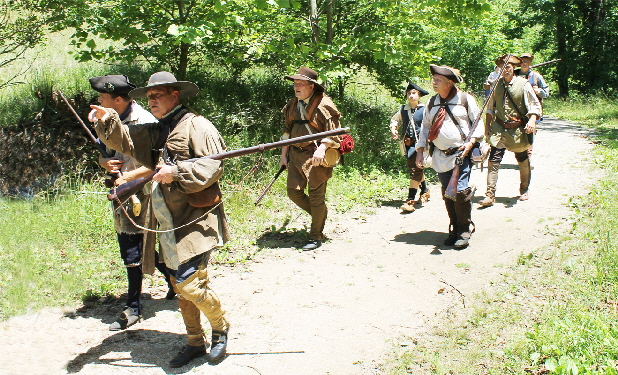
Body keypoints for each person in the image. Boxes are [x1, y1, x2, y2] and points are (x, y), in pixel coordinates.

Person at [90, 72, 231, 367]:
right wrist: (108, 120)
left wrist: (176, 173)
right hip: (167, 219)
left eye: (158, 95)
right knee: (178, 284)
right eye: (149, 97)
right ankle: (195, 341)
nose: (151, 100)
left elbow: (212, 168)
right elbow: (129, 142)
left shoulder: (197, 126)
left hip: (195, 217)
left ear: (174, 96)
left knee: (188, 284)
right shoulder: (159, 128)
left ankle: (220, 329)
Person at [89, 75, 174, 332]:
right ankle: (173, 280)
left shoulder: (146, 122)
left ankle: (134, 308)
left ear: (118, 99)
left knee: (133, 246)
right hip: (121, 192)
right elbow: (105, 152)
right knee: (136, 244)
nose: (99, 103)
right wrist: (104, 163)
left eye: (103, 99)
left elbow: (155, 163)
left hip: (143, 193)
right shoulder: (107, 119)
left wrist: (127, 177)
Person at [415, 65, 483, 249]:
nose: (433, 83)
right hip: (440, 156)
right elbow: (426, 128)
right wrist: (420, 151)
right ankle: (454, 228)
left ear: (449, 82)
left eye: (438, 80)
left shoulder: (465, 99)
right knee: (448, 194)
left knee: (460, 192)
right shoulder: (432, 102)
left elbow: (477, 124)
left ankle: (464, 229)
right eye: (434, 79)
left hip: (461, 153)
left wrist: (470, 144)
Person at [280, 67, 342, 251]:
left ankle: (315, 235)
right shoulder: (292, 105)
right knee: (293, 192)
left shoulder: (325, 105)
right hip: (295, 155)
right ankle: (319, 215)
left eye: (300, 84)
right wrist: (284, 155)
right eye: (295, 84)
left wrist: (322, 148)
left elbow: (334, 134)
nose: (296, 87)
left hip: (317, 156)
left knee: (316, 197)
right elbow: (287, 132)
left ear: (312, 87)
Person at [479, 55, 542, 207]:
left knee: (522, 159)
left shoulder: (523, 84)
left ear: (513, 68)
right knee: (493, 160)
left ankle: (524, 188)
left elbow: (534, 105)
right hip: (499, 128)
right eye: (503, 67)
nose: (505, 69)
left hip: (517, 130)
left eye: (508, 66)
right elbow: (490, 108)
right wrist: (487, 126)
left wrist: (532, 120)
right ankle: (490, 195)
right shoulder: (496, 84)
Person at [389, 81, 430, 212]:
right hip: (408, 144)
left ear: (419, 95)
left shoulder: (425, 110)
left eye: (413, 93)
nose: (411, 96)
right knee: (414, 167)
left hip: (421, 144)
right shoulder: (403, 109)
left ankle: (410, 201)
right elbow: (395, 120)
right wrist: (394, 129)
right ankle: (424, 190)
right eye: (409, 93)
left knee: (415, 169)